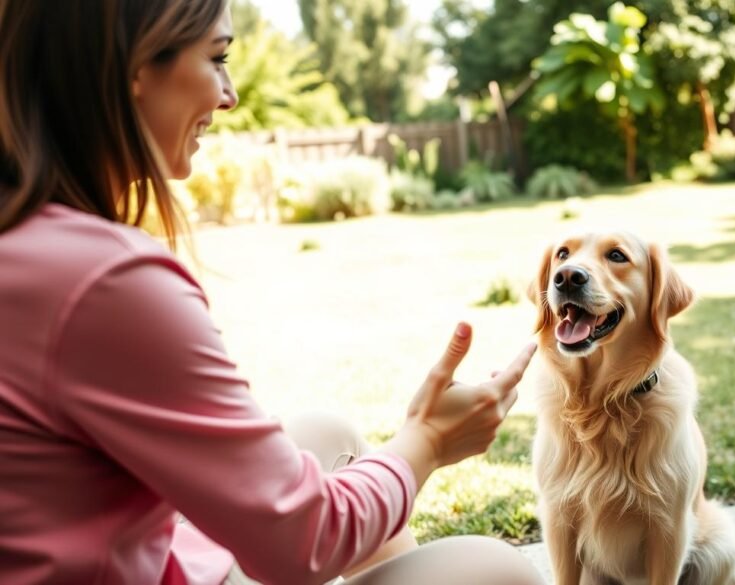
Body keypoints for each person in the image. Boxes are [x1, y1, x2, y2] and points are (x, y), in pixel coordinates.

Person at [0, 1, 543, 584]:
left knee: (327, 433)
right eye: (216, 58)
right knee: (491, 568)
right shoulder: (103, 283)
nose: (229, 95)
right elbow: (303, 543)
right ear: (134, 67)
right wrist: (429, 440)